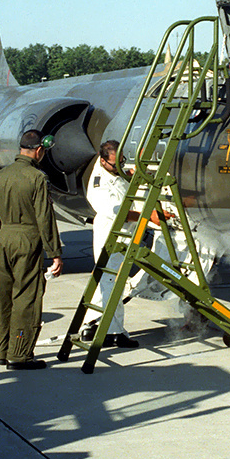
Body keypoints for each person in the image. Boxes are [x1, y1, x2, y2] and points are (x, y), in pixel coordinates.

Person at [0, 130, 63, 370]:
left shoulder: (1, 175)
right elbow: (44, 217)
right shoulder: (37, 178)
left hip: (2, 239)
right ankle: (19, 355)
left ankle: (1, 350)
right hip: (26, 240)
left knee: (3, 297)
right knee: (26, 299)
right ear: (39, 151)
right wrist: (55, 253)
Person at [85, 140, 167, 348]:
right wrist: (149, 216)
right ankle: (113, 333)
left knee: (105, 280)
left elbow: (125, 176)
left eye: (122, 161)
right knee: (113, 283)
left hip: (123, 235)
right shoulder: (98, 185)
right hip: (111, 235)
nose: (120, 167)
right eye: (115, 164)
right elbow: (119, 213)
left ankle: (91, 323)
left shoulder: (112, 169)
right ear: (103, 161)